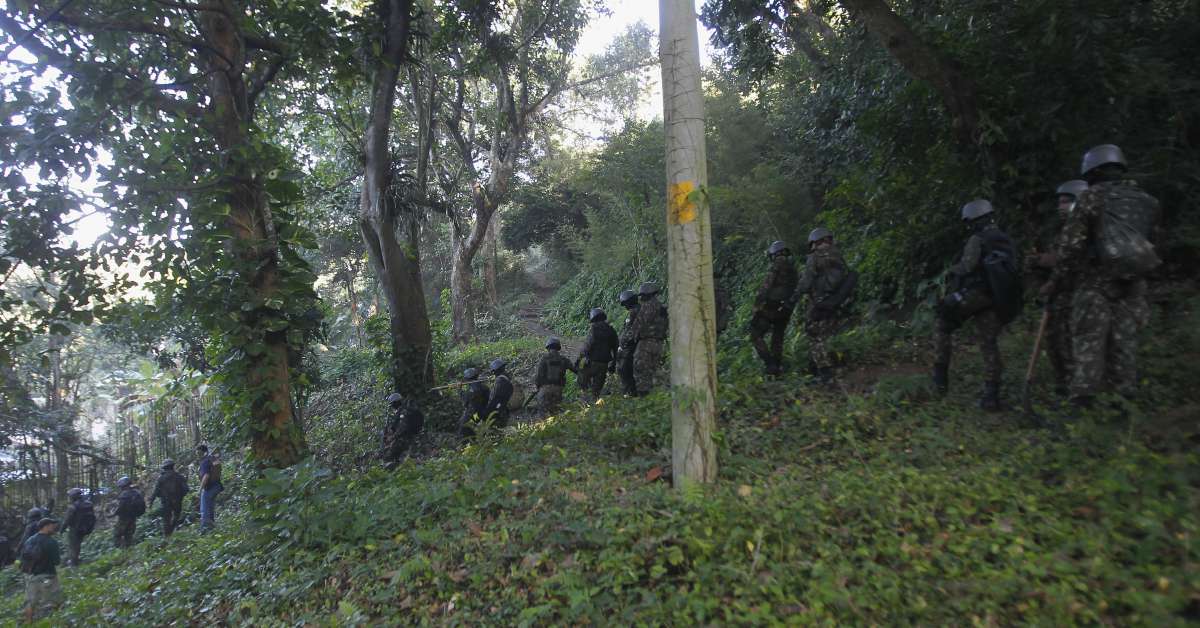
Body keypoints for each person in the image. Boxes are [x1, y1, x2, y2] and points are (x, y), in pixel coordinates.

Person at [1042, 144, 1161, 408]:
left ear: (1091, 171)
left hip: (1095, 282)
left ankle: (1082, 406)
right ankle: (1123, 404)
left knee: (1088, 342)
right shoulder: (1145, 200)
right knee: (1124, 344)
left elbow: (1071, 248)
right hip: (1133, 283)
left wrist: (1056, 281)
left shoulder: (1090, 198)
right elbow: (1152, 241)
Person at [933, 199, 1021, 411]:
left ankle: (939, 382)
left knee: (942, 321)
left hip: (976, 295)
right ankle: (991, 395)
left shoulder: (977, 239)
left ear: (973, 220)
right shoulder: (1004, 239)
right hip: (997, 298)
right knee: (988, 342)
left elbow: (967, 267)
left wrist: (950, 271)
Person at [1028, 180, 1088, 395]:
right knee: (1055, 343)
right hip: (1059, 295)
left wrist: (1044, 261)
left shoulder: (1087, 229)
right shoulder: (1064, 231)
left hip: (1079, 295)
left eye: (1066, 202)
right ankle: (1063, 386)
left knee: (1071, 344)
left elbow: (1068, 260)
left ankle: (1078, 391)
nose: (1061, 207)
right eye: (1060, 202)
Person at [794, 228, 856, 385]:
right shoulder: (837, 254)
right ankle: (838, 365)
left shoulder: (815, 257)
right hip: (837, 301)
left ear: (814, 242)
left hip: (819, 303)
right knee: (830, 334)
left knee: (815, 336)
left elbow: (806, 282)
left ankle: (825, 374)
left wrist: (795, 296)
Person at [751, 240, 799, 375]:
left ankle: (770, 364)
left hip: (770, 306)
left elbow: (766, 287)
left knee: (755, 334)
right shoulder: (793, 269)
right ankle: (777, 366)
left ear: (773, 254)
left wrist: (757, 305)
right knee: (777, 337)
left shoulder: (776, 266)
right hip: (786, 307)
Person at [20, 518, 62, 622]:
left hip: (31, 576)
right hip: (48, 576)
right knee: (53, 601)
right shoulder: (51, 542)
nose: (54, 527)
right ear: (45, 526)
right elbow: (57, 561)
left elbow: (23, 558)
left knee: (30, 602)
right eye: (52, 525)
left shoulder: (29, 540)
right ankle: (54, 622)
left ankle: (29, 623)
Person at [632, 282, 669, 395]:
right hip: (660, 344)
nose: (641, 298)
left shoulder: (647, 306)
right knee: (656, 370)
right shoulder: (662, 307)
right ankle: (661, 395)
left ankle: (644, 396)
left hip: (646, 344)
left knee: (641, 369)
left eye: (642, 295)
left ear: (647, 294)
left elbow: (638, 325)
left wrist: (634, 337)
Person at [576, 308, 619, 400]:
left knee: (582, 382)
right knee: (596, 391)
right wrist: (613, 364)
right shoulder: (611, 330)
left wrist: (579, 360)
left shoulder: (594, 329)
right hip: (604, 365)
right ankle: (595, 403)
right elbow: (616, 348)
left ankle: (584, 401)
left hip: (592, 363)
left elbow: (587, 346)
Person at [381, 392, 424, 468]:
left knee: (388, 456)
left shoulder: (403, 412)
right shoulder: (406, 410)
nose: (392, 407)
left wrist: (392, 437)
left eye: (392, 404)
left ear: (395, 403)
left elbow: (402, 428)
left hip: (404, 439)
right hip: (412, 437)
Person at [535, 337, 576, 415]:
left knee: (542, 413)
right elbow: (575, 370)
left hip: (545, 389)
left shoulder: (544, 358)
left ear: (548, 347)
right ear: (558, 348)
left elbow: (539, 375)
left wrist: (538, 387)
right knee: (555, 413)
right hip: (558, 389)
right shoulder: (564, 359)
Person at [149, 459, 189, 537]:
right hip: (177, 501)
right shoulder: (179, 477)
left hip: (165, 502)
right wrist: (180, 496)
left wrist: (151, 502)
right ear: (172, 466)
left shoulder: (161, 478)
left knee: (166, 519)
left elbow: (156, 491)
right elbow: (186, 489)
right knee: (176, 516)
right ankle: (171, 529)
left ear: (164, 467)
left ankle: (167, 535)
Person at [61, 488, 96, 565]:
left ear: (73, 496)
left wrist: (62, 529)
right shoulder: (89, 504)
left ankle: (73, 563)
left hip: (75, 529)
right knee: (78, 545)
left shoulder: (72, 507)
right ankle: (76, 559)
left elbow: (67, 520)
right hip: (86, 528)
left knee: (73, 546)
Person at [615, 290, 641, 396]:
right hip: (638, 342)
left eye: (625, 303)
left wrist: (622, 345)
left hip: (633, 344)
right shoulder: (640, 309)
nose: (625, 306)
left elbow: (629, 332)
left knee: (623, 368)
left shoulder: (634, 312)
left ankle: (630, 392)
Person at [113, 476, 146, 548]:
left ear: (123, 485)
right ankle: (128, 549)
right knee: (129, 535)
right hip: (133, 518)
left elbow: (120, 507)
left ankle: (120, 550)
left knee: (117, 534)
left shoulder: (124, 494)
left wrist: (115, 513)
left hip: (124, 518)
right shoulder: (136, 492)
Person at [196, 444, 223, 533]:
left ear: (203, 452)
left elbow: (206, 476)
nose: (197, 455)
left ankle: (205, 529)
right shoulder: (211, 459)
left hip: (209, 488)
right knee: (210, 506)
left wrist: (200, 489)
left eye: (198, 453)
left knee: (204, 509)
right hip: (217, 486)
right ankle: (211, 528)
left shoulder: (205, 462)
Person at [457, 367, 490, 438]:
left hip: (476, 415)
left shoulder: (472, 389)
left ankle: (466, 440)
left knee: (463, 425)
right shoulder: (484, 387)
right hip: (483, 412)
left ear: (467, 378)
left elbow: (465, 400)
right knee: (467, 423)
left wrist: (459, 389)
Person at [484, 358, 514, 428]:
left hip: (498, 411)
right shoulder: (506, 377)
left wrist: (488, 411)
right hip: (503, 408)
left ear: (495, 371)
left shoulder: (500, 381)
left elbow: (495, 398)